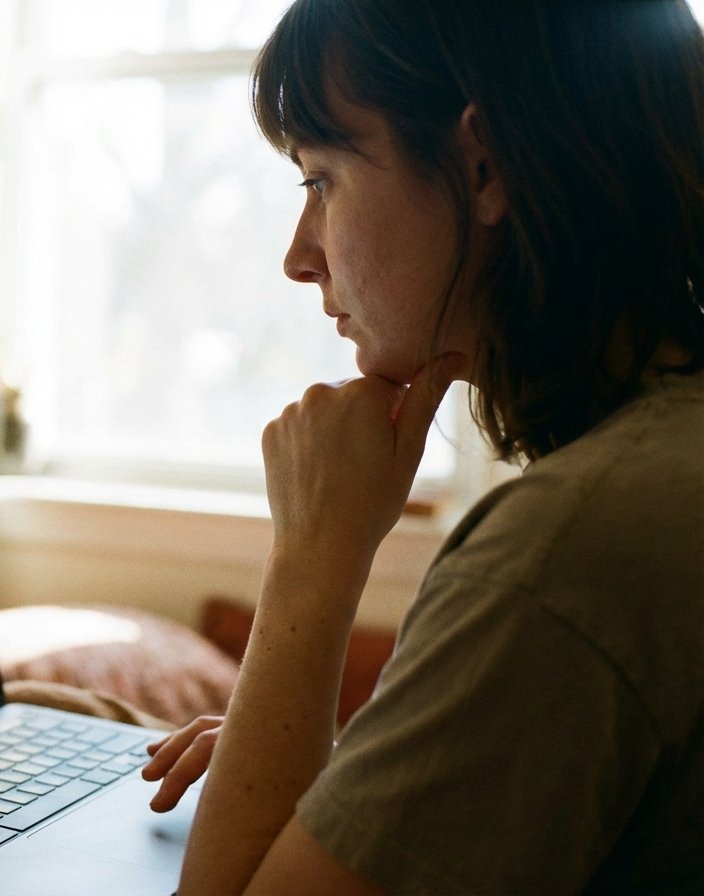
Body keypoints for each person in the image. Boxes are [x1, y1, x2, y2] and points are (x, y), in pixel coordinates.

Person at [141, 0, 704, 893]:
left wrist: (311, 559)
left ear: (487, 166)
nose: (299, 257)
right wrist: (316, 771)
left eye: (321, 180)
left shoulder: (568, 552)